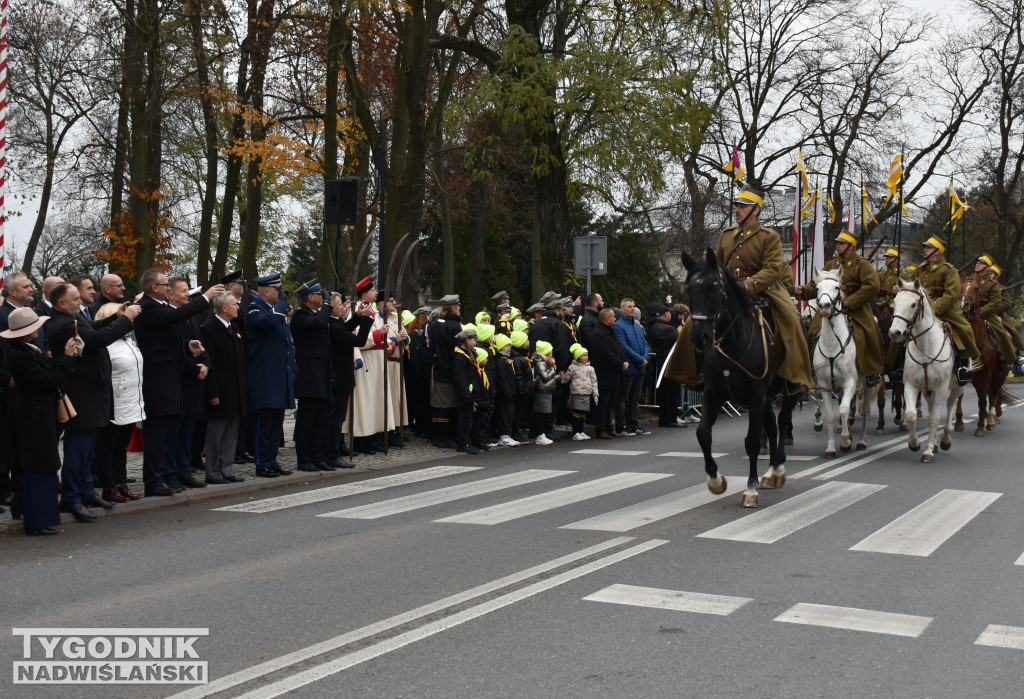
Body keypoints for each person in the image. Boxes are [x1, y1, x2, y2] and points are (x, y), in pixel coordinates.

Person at [665, 187, 815, 391]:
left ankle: (794, 376)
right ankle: (696, 373)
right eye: (736, 206)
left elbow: (772, 269)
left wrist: (747, 285)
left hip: (762, 289)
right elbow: (714, 265)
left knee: (791, 319)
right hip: (727, 290)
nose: (737, 210)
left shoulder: (770, 237)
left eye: (743, 206)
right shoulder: (727, 236)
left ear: (756, 210)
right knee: (695, 320)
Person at [46, 282, 138, 521]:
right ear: (61, 303)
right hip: (81, 395)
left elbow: (93, 327)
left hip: (92, 393)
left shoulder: (74, 318)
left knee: (88, 449)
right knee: (78, 449)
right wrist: (126, 319)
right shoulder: (63, 324)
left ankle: (86, 491)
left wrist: (114, 317)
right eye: (75, 299)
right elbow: (97, 339)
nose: (80, 302)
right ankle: (72, 497)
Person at [134, 269, 225, 495]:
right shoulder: (148, 307)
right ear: (154, 288)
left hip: (170, 380)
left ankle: (165, 477)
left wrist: (187, 345)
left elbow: (165, 338)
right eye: (165, 285)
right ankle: (154, 482)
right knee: (158, 436)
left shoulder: (159, 307)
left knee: (169, 434)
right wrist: (206, 297)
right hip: (158, 380)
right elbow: (174, 318)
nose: (167, 288)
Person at [3, 307, 80, 535]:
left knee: (42, 463)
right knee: (40, 465)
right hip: (33, 416)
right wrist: (67, 358)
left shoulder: (29, 350)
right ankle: (37, 520)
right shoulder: (19, 355)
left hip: (40, 414)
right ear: (27, 332)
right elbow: (49, 380)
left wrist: (66, 359)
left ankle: (21, 504)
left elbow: (51, 370)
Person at [886, 237, 979, 385]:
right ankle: (895, 367)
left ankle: (963, 367)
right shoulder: (919, 269)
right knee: (899, 334)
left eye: (928, 248)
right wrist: (900, 289)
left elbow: (952, 294)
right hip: (918, 310)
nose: (924, 250)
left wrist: (933, 308)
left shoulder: (949, 270)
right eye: (925, 247)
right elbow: (909, 286)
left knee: (963, 330)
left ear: (938, 252)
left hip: (945, 310)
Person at [796, 231, 884, 385]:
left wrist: (851, 301)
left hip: (856, 309)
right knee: (812, 331)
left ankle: (872, 371)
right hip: (830, 309)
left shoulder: (862, 265)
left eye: (841, 243)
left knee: (869, 333)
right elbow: (817, 283)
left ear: (852, 246)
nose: (838, 245)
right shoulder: (831, 264)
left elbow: (873, 286)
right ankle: (811, 370)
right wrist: (804, 290)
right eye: (838, 242)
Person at [92, 302, 144, 502]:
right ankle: (108, 485)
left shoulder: (128, 339)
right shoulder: (105, 342)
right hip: (113, 400)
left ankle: (121, 483)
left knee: (121, 446)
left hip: (131, 399)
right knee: (108, 446)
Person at [246, 273, 296, 478]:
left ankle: (272, 460)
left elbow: (285, 343)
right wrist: (281, 308)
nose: (281, 293)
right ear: (266, 291)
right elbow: (264, 324)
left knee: (276, 424)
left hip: (279, 374)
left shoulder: (275, 311)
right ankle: (262, 463)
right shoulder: (254, 308)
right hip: (265, 376)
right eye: (277, 289)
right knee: (264, 424)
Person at [165, 278, 210, 490]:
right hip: (182, 379)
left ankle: (184, 471)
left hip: (195, 382)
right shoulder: (170, 318)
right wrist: (195, 368)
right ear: (170, 294)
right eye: (183, 291)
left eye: (187, 291)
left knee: (188, 432)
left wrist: (206, 365)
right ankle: (172, 472)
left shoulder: (191, 319)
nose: (187, 295)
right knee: (176, 433)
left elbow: (201, 344)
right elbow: (173, 350)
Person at [201, 292, 249, 484]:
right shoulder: (209, 329)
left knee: (231, 432)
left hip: (236, 389)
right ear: (224, 308)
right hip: (220, 390)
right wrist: (212, 392)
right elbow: (209, 362)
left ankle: (227, 469)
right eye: (234, 304)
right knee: (216, 433)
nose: (238, 307)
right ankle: (212, 472)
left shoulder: (234, 328)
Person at [291, 279, 336, 472]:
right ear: (310, 297)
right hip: (309, 377)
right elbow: (318, 323)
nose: (322, 297)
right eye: (319, 295)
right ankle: (304, 459)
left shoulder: (316, 315)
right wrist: (327, 305)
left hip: (322, 376)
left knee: (321, 420)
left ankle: (319, 457)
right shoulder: (301, 316)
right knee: (307, 421)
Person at [348, 277, 394, 453]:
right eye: (374, 290)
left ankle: (374, 435)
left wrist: (390, 343)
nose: (377, 293)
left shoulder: (375, 312)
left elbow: (385, 335)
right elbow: (358, 340)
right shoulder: (357, 312)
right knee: (365, 402)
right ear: (365, 294)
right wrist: (377, 335)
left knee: (376, 400)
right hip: (366, 360)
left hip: (378, 359)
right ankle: (362, 439)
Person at [327, 292, 374, 465]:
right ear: (331, 307)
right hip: (339, 378)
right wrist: (367, 319)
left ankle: (331, 452)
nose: (342, 307)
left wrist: (358, 316)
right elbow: (359, 341)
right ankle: (331, 455)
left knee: (337, 417)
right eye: (339, 305)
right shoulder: (333, 326)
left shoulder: (335, 323)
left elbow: (345, 328)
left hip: (340, 377)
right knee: (336, 419)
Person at [427, 294, 463, 449]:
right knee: (446, 406)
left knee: (438, 404)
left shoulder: (434, 323)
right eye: (458, 306)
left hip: (436, 368)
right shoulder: (454, 325)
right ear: (454, 307)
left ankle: (436, 435)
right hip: (449, 368)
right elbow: (456, 349)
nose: (460, 308)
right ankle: (444, 437)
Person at [589, 308, 629, 438]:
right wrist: (620, 364)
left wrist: (625, 360)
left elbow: (618, 348)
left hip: (614, 374)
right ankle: (601, 429)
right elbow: (605, 354)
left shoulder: (609, 331)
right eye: (613, 317)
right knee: (603, 404)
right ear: (607, 319)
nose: (615, 319)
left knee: (610, 404)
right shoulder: (598, 334)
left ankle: (609, 428)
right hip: (605, 374)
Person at [614, 297, 650, 436]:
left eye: (633, 306)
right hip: (630, 367)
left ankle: (634, 425)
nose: (632, 309)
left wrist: (645, 358)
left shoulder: (637, 325)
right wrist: (640, 359)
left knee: (634, 398)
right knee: (623, 398)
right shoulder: (619, 326)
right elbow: (624, 346)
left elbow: (645, 343)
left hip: (640, 367)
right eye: (629, 306)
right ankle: (621, 426)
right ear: (622, 309)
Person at [973, 254, 1016, 370]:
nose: (977, 264)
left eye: (981, 263)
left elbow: (1001, 303)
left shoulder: (994, 285)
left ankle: (1007, 357)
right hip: (970, 312)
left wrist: (980, 312)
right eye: (978, 262)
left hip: (988, 314)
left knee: (1002, 333)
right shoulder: (971, 280)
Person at [452, 327, 486, 454]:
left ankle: (469, 441)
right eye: (474, 340)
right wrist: (466, 395)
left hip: (472, 393)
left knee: (470, 419)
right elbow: (461, 378)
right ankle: (463, 443)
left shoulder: (470, 353)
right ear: (466, 340)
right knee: (465, 419)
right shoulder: (460, 357)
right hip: (465, 395)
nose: (476, 342)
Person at [648, 304, 682, 427]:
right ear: (666, 314)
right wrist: (680, 330)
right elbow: (680, 339)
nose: (671, 316)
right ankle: (671, 419)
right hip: (670, 363)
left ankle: (664, 419)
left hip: (661, 362)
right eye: (669, 314)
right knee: (672, 392)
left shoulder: (655, 327)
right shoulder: (667, 329)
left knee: (664, 393)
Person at [562, 345, 598, 440]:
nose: (586, 357)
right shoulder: (572, 367)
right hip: (576, 393)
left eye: (586, 355)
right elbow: (566, 379)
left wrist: (595, 394)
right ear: (577, 357)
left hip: (587, 393)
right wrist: (561, 378)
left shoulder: (590, 369)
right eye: (583, 355)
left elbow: (594, 382)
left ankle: (581, 431)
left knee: (583, 413)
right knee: (577, 413)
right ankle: (576, 432)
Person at [491, 333, 520, 447]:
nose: (509, 347)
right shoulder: (501, 361)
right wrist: (507, 392)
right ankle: (504, 435)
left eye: (509, 345)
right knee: (505, 415)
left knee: (510, 414)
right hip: (505, 394)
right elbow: (502, 379)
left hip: (510, 393)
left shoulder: (506, 359)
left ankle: (507, 434)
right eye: (506, 345)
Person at [530, 340, 559, 445]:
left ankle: (542, 434)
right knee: (540, 414)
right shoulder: (541, 363)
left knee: (544, 413)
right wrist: (552, 370)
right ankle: (540, 435)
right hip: (542, 390)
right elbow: (545, 377)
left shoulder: (544, 361)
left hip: (546, 390)